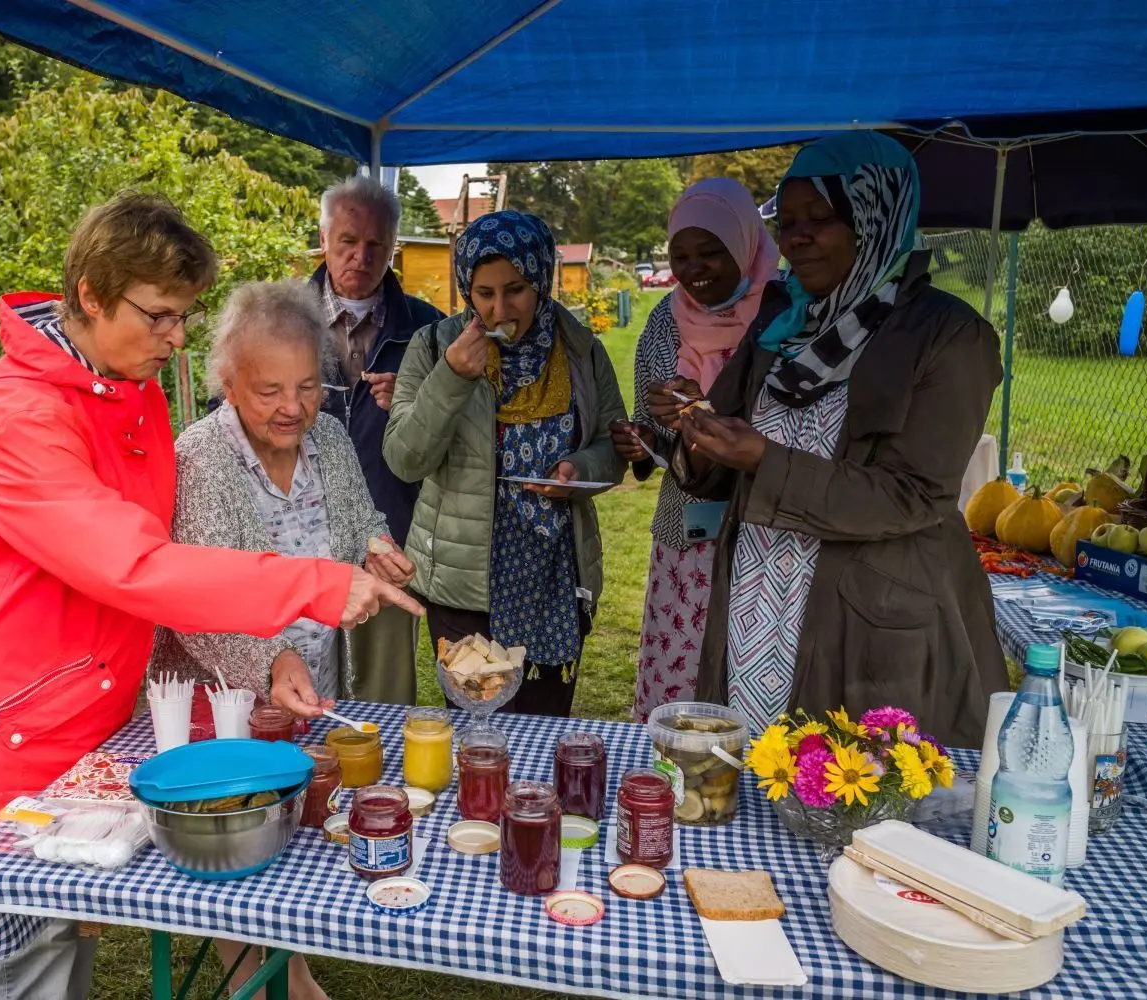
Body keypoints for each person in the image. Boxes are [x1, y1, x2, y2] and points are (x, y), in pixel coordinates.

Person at [0, 193, 420, 1000]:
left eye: (184, 318)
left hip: (85, 709)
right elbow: (135, 565)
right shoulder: (21, 422)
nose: (175, 340)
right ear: (92, 295)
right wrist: (311, 582)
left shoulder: (126, 386)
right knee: (40, 961)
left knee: (69, 941)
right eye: (161, 316)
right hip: (2, 724)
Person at [657, 133, 1005, 745]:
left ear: (875, 218)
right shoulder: (783, 320)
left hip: (863, 613)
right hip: (755, 605)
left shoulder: (948, 337)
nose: (796, 237)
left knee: (844, 794)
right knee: (748, 779)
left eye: (821, 219)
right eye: (787, 222)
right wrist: (694, 429)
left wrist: (764, 458)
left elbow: (914, 496)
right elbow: (725, 447)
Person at [384, 210, 627, 717]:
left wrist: (580, 470)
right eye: (483, 293)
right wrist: (451, 377)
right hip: (462, 578)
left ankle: (535, 800)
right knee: (477, 723)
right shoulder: (434, 347)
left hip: (552, 575)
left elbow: (611, 446)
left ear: (540, 280)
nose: (499, 309)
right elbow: (405, 458)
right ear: (465, 289)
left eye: (515, 289)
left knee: (544, 718)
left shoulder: (580, 349)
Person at [151, 279, 414, 706]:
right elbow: (196, 606)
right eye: (270, 391)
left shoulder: (330, 439)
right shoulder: (201, 461)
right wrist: (273, 661)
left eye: (308, 387)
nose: (293, 407)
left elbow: (363, 523)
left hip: (319, 693)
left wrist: (378, 551)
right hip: (224, 711)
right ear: (230, 386)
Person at [609, 178, 779, 720]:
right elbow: (653, 437)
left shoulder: (785, 314)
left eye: (711, 252)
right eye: (679, 256)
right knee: (679, 693)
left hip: (769, 533)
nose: (693, 269)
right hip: (688, 538)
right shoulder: (665, 320)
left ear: (747, 244)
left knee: (755, 686)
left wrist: (711, 410)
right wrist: (641, 440)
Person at [310, 177, 444, 704]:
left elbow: (455, 443)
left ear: (394, 248)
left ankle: (381, 790)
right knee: (300, 688)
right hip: (300, 539)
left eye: (376, 245)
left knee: (382, 699)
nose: (361, 257)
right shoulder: (278, 320)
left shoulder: (429, 332)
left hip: (392, 534)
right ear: (323, 239)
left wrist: (415, 404)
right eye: (348, 241)